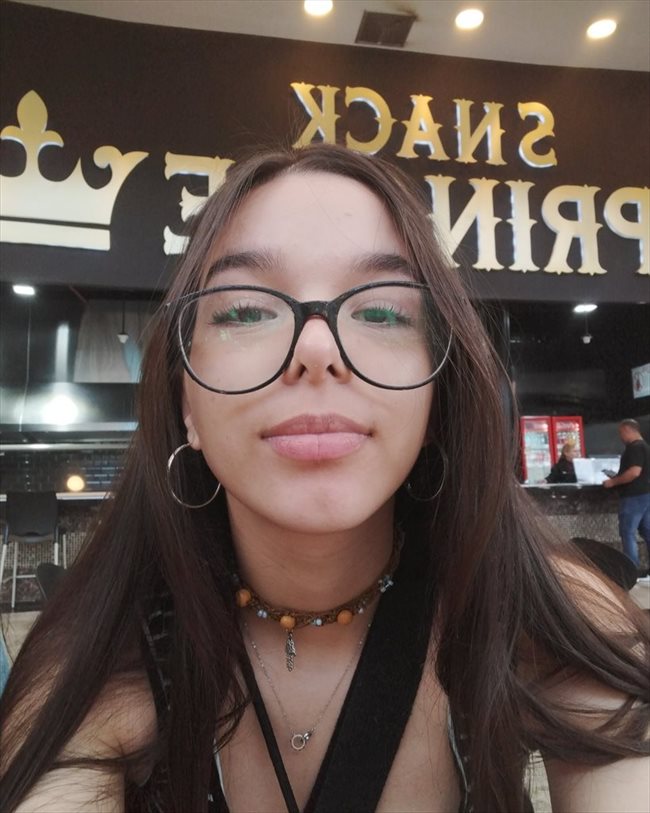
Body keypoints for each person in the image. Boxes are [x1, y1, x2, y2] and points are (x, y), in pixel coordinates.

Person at [1, 144, 648, 813]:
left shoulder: (541, 615)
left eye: (382, 311)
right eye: (246, 310)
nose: (318, 349)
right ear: (185, 402)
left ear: (436, 399)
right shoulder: (101, 659)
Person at [604, 419, 650, 579]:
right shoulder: (646, 447)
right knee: (647, 531)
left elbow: (634, 472)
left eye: (621, 433)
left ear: (628, 430)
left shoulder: (634, 448)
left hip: (633, 496)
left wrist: (613, 482)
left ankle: (632, 573)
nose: (620, 437)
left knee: (627, 532)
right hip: (646, 494)